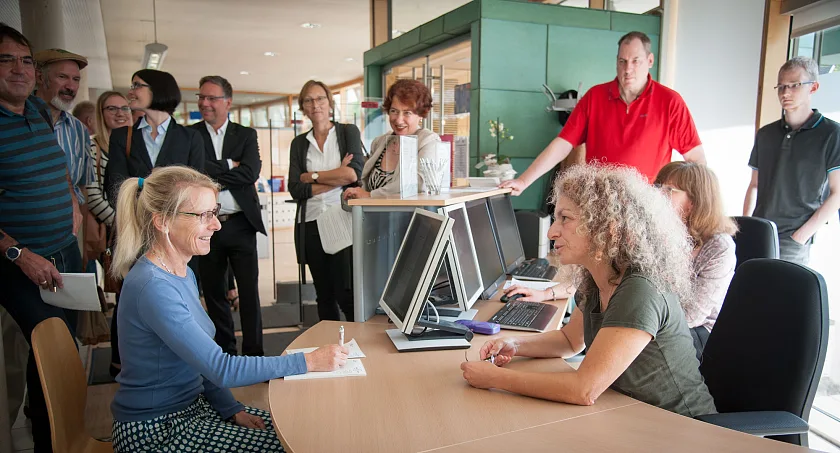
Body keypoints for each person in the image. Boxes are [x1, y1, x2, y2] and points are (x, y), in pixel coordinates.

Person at [108, 166, 347, 452]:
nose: (217, 225)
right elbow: (221, 368)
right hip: (157, 430)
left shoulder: (180, 272)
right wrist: (309, 362)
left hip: (191, 409)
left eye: (215, 212)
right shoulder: (153, 287)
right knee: (295, 443)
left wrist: (230, 407)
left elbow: (199, 362)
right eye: (203, 216)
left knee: (303, 429)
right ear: (163, 222)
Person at [465, 164, 716, 417]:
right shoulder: (597, 277)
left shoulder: (640, 289)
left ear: (609, 228)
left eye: (566, 218)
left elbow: (583, 390)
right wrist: (514, 343)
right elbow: (569, 341)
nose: (552, 231)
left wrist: (495, 378)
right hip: (629, 414)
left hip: (681, 426)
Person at [0, 23, 83, 452]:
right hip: (21, 261)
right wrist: (19, 254)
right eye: (6, 59)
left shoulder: (34, 110)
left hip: (62, 251)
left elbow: (59, 167)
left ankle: (55, 436)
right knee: (47, 346)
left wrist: (70, 202)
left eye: (26, 60)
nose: (19, 69)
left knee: (61, 351)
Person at [501, 31, 705, 196]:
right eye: (622, 61)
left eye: (636, 61)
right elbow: (562, 145)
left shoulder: (670, 102)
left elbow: (696, 159)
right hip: (601, 202)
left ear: (650, 60)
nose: (628, 69)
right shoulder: (595, 97)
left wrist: (690, 203)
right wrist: (523, 181)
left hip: (648, 205)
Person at [105, 68, 204, 377]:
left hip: (179, 236)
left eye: (138, 86)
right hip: (135, 233)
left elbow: (197, 189)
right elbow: (115, 186)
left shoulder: (190, 137)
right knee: (131, 299)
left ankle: (180, 362)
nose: (131, 91)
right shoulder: (123, 136)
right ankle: (128, 366)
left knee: (178, 298)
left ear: (158, 90)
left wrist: (145, 186)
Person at [190, 75, 266, 356]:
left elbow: (250, 173)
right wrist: (228, 165)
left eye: (211, 98)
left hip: (241, 223)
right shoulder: (191, 134)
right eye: (201, 97)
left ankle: (255, 353)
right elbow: (193, 173)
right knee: (214, 294)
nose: (204, 103)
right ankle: (226, 354)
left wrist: (212, 171)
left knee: (249, 294)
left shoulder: (245, 135)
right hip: (205, 227)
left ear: (228, 102)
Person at [743, 56, 840, 266]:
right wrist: (745, 225)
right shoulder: (766, 134)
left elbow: (837, 193)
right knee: (752, 293)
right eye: (781, 86)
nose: (785, 93)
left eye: (795, 85)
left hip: (794, 240)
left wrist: (802, 235)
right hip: (760, 231)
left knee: (786, 296)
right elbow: (754, 185)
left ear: (813, 87)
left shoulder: (831, 133)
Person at [289, 80, 364, 322]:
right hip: (310, 224)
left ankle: (357, 348)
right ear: (303, 107)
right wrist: (336, 176)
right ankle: (329, 352)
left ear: (329, 102)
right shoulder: (299, 144)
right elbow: (295, 188)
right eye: (308, 100)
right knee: (323, 295)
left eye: (320, 98)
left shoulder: (346, 132)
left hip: (341, 219)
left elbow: (353, 174)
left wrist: (311, 177)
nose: (315, 104)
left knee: (346, 293)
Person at [654, 162, 737, 357]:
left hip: (697, 333)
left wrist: (640, 326)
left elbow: (692, 315)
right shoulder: (661, 233)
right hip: (658, 322)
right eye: (658, 187)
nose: (658, 195)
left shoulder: (719, 247)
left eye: (669, 190)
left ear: (694, 202)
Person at [343, 78, 440, 199]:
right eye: (394, 111)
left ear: (420, 115)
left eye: (407, 113)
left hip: (407, 216)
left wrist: (370, 195)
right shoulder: (379, 142)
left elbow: (419, 183)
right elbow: (366, 185)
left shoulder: (428, 141)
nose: (398, 120)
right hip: (371, 215)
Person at [34, 48, 94, 205]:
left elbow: (82, 188)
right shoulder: (17, 120)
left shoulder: (80, 131)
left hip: (69, 224)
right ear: (40, 77)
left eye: (76, 79)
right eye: (62, 77)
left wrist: (84, 229)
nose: (71, 86)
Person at [87, 91, 130, 227]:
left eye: (125, 108)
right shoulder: (92, 146)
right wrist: (120, 225)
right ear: (101, 113)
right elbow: (92, 195)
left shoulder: (134, 146)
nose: (120, 113)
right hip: (110, 227)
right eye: (112, 109)